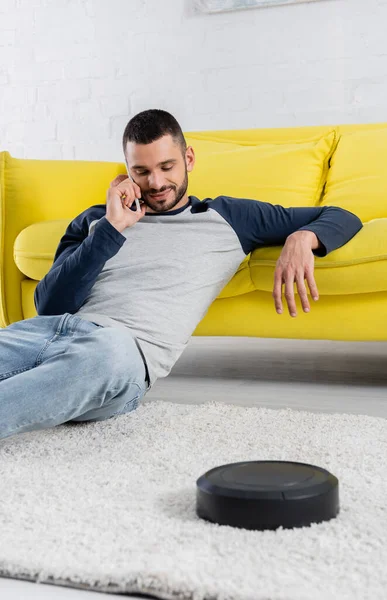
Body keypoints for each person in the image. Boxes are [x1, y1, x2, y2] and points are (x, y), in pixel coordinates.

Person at [0, 109, 363, 441]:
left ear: (188, 159)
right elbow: (49, 306)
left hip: (121, 354)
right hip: (50, 333)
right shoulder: (98, 219)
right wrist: (110, 229)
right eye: (141, 172)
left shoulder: (227, 217)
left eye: (167, 167)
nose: (156, 182)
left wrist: (303, 237)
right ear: (126, 172)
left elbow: (342, 215)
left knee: (103, 355)